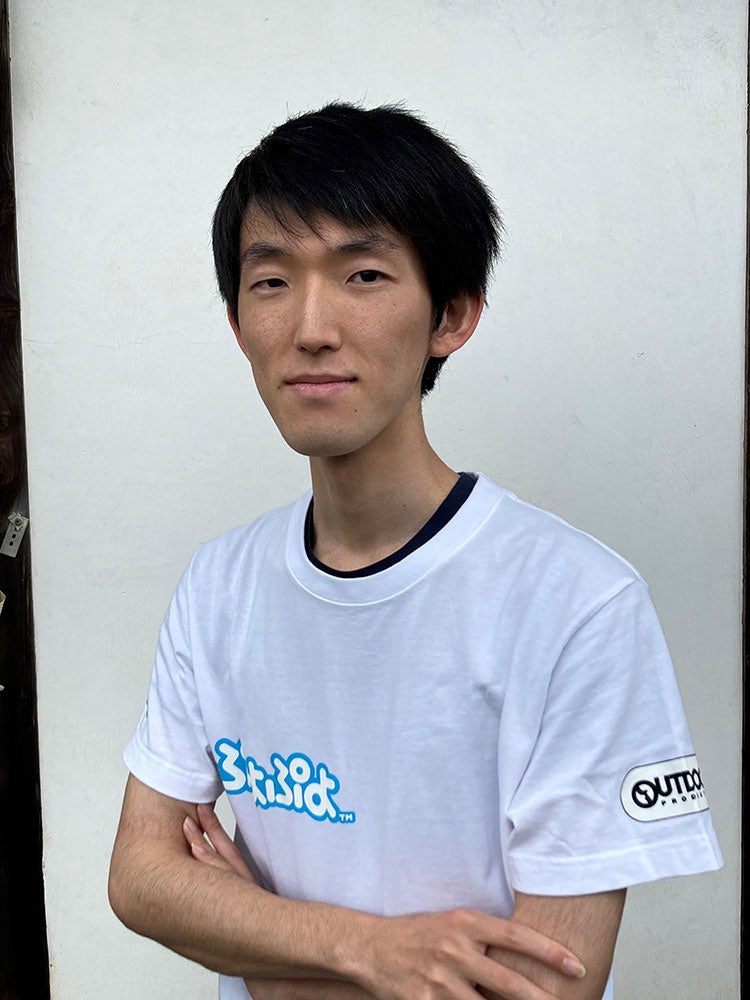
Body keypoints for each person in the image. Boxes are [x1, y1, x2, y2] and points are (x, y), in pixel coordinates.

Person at [108, 101, 723, 1000]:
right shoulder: (220, 585)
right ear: (237, 324)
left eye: (362, 274)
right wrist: (371, 952)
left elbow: (543, 990)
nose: (311, 327)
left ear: (452, 314)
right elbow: (141, 876)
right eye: (270, 281)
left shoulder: (578, 604)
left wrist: (265, 962)